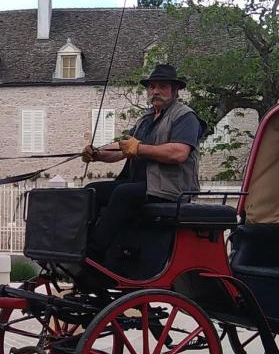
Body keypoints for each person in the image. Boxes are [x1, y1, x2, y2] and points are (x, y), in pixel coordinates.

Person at [81, 63, 207, 261]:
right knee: (92, 190)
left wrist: (139, 148)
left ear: (175, 91)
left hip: (169, 189)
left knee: (123, 193)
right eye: (152, 87)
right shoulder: (144, 119)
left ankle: (94, 255)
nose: (155, 91)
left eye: (162, 87)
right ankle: (79, 246)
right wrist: (96, 153)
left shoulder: (185, 116)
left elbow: (179, 153)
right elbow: (121, 149)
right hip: (141, 185)